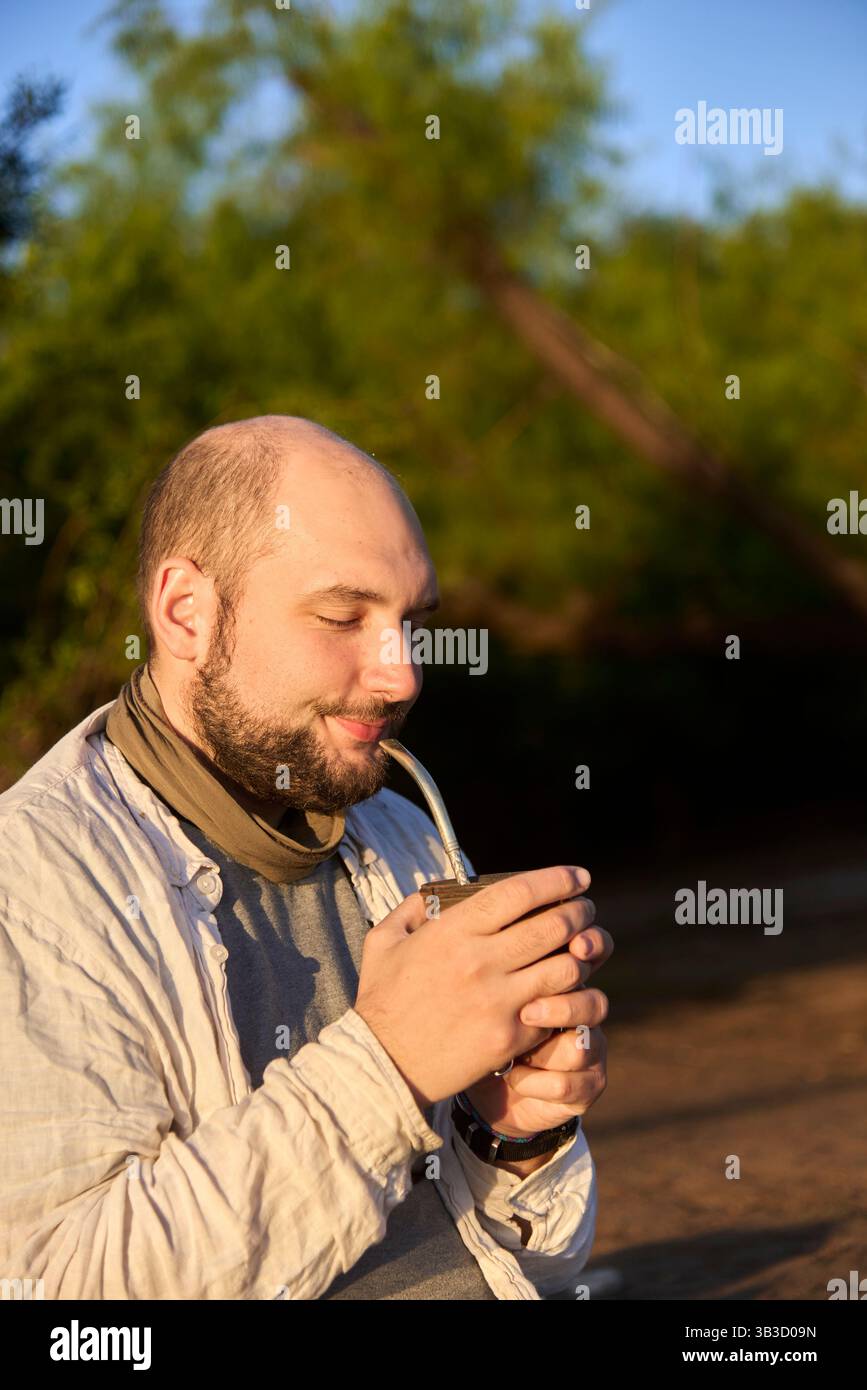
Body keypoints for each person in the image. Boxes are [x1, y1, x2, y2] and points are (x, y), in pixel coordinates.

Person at [0, 415, 612, 1300]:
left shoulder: (400, 832)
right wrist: (388, 1065)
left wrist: (514, 1131)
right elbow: (62, 1296)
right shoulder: (35, 884)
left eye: (410, 621)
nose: (401, 674)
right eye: (342, 616)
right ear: (187, 613)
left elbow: (537, 1264)